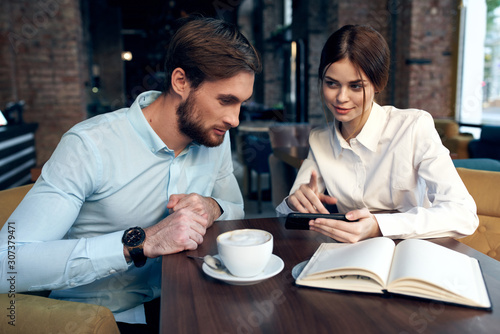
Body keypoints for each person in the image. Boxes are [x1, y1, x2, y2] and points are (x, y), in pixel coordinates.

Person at [0, 16, 261, 332]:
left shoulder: (214, 132)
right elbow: (8, 263)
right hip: (104, 317)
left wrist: (212, 206)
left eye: (241, 104)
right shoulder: (90, 146)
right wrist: (138, 243)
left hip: (187, 299)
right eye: (225, 100)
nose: (234, 119)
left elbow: (235, 209)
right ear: (181, 82)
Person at [276, 24, 478, 243]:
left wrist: (379, 226)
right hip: (352, 251)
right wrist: (293, 202)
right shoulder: (320, 140)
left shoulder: (413, 127)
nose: (341, 97)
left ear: (378, 84)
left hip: (411, 249)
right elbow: (290, 216)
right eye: (331, 83)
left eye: (355, 86)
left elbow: (464, 214)